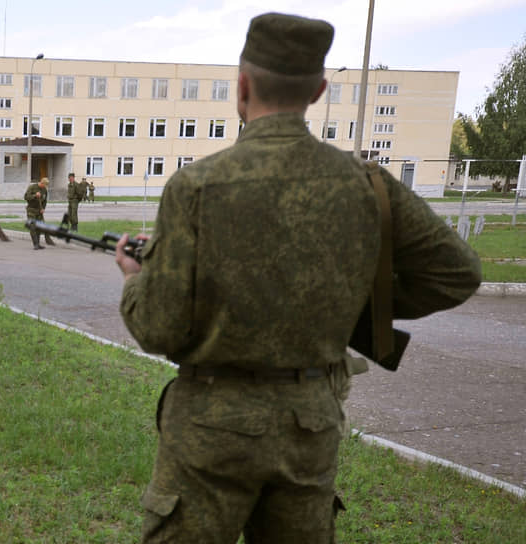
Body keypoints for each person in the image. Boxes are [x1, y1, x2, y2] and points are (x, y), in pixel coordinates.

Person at [113, 12, 482, 544]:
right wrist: (351, 300)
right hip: (309, 423)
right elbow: (457, 274)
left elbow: (160, 328)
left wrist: (133, 280)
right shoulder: (368, 185)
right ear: (318, 90)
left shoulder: (197, 185)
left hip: (211, 426)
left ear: (242, 87)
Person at [24, 177, 49, 250]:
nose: (44, 187)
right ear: (41, 182)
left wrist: (43, 208)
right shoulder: (32, 187)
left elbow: (45, 201)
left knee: (39, 227)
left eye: (46, 186)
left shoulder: (44, 190)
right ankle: (35, 244)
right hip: (31, 210)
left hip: (39, 211)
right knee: (33, 227)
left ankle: (38, 243)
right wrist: (35, 195)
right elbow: (26, 197)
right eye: (44, 185)